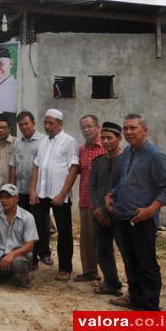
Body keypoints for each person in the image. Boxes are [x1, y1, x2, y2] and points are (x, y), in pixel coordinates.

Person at [106, 114, 166, 311]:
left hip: (142, 219)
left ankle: (150, 306)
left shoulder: (155, 155)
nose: (128, 132)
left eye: (133, 128)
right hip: (123, 216)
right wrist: (112, 194)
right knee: (130, 260)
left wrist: (150, 210)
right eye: (125, 128)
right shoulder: (128, 152)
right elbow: (125, 180)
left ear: (144, 130)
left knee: (147, 264)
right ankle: (135, 297)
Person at [29, 109, 79, 279]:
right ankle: (33, 260)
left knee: (64, 232)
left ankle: (65, 268)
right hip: (41, 193)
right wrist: (33, 190)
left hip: (59, 195)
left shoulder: (69, 141)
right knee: (34, 227)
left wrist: (62, 194)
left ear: (60, 124)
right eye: (46, 123)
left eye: (51, 123)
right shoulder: (43, 142)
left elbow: (73, 168)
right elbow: (36, 167)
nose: (48, 126)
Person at [89, 122, 125, 297]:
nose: (105, 141)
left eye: (109, 138)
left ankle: (136, 290)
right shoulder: (97, 162)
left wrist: (108, 210)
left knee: (127, 252)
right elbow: (92, 187)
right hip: (99, 215)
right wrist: (98, 209)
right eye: (102, 138)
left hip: (119, 214)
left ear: (119, 138)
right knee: (102, 251)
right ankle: (111, 283)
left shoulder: (127, 161)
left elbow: (127, 188)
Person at [75, 114, 104, 282]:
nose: (86, 130)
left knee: (104, 240)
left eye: (89, 126)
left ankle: (109, 277)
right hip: (86, 200)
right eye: (83, 127)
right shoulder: (82, 150)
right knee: (86, 238)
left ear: (97, 127)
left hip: (103, 203)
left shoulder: (106, 147)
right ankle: (89, 271)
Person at [9, 111, 46, 211]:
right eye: (21, 125)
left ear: (33, 123)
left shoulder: (44, 141)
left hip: (37, 192)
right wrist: (12, 188)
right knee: (22, 222)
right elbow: (13, 166)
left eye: (26, 124)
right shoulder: (17, 143)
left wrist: (35, 190)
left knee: (38, 222)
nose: (24, 127)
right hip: (20, 191)